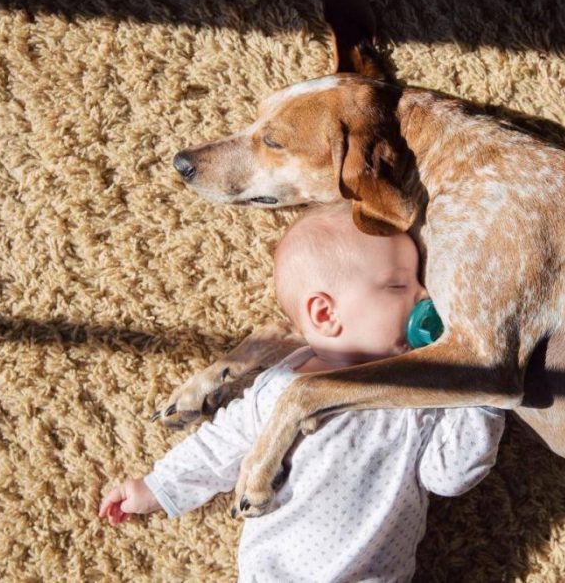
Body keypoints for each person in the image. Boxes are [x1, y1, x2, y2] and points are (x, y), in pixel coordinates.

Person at [99, 203, 505, 583]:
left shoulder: (417, 390)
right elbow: (219, 445)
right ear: (325, 314)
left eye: (419, 282)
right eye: (398, 285)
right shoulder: (279, 387)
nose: (423, 297)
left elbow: (448, 475)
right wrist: (157, 487)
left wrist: (480, 385)